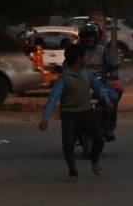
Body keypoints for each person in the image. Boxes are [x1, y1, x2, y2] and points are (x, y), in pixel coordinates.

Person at [39, 44, 115, 181]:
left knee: (99, 139)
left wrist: (106, 98)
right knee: (68, 145)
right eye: (84, 56)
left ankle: (95, 159)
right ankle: (73, 172)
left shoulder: (89, 73)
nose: (86, 59)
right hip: (69, 115)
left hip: (87, 112)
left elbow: (99, 86)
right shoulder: (62, 79)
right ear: (79, 59)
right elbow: (53, 98)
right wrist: (45, 119)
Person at [79, 22, 122, 141]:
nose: (89, 39)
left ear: (95, 37)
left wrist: (113, 75)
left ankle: (108, 128)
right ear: (81, 37)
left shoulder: (102, 50)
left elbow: (111, 66)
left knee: (112, 97)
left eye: (91, 36)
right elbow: (67, 65)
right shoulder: (76, 50)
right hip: (80, 81)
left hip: (99, 79)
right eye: (86, 36)